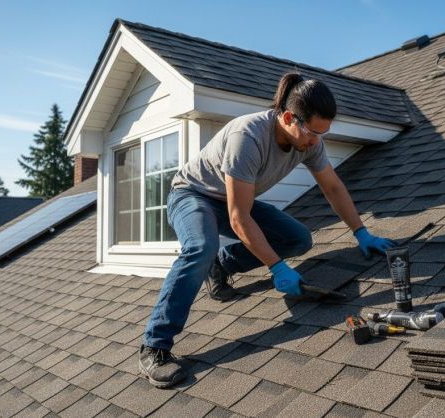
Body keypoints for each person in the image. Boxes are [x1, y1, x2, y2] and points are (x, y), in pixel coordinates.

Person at [138, 72, 395, 388]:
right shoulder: (247, 137)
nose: (317, 141)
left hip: (233, 200)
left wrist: (361, 232)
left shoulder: (310, 141)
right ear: (289, 118)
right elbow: (238, 217)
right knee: (200, 247)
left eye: (323, 133)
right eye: (313, 133)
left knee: (298, 238)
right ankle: (155, 346)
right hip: (193, 195)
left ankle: (220, 265)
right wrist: (276, 267)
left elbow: (332, 187)